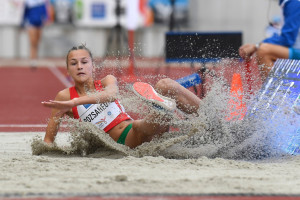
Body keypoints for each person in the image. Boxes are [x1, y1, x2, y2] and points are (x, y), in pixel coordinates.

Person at [42, 45, 201, 148]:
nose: (80, 67)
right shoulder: (64, 97)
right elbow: (48, 140)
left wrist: (75, 102)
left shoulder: (107, 81)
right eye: (74, 63)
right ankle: (164, 109)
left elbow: (111, 95)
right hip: (127, 140)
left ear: (93, 66)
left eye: (84, 62)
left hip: (147, 131)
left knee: (165, 85)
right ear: (68, 70)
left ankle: (210, 118)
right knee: (139, 126)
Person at [239, 0, 300, 81]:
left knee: (264, 51)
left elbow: (287, 39)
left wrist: (256, 46)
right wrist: (256, 45)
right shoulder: (289, 3)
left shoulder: (294, 2)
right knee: (265, 48)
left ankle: (275, 92)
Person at [22, 0, 48, 68]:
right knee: (32, 42)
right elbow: (25, 13)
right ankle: (32, 59)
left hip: (39, 24)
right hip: (31, 23)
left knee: (37, 42)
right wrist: (22, 24)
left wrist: (45, 18)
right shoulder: (28, 2)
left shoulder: (41, 2)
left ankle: (35, 58)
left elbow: (44, 11)